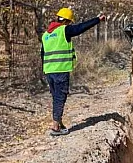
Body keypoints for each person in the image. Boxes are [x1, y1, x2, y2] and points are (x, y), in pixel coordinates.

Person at [41, 7, 106, 136]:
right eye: (70, 22)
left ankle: (59, 122)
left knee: (56, 97)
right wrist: (97, 20)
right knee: (60, 97)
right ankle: (55, 127)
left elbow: (42, 54)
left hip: (49, 71)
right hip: (61, 69)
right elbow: (80, 28)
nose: (70, 24)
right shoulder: (64, 30)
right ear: (66, 21)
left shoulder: (46, 35)